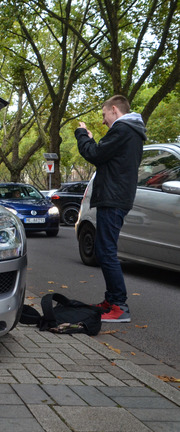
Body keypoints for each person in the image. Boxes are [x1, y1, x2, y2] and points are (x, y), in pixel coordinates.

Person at [75, 95, 146, 323]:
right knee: (103, 248)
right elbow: (105, 155)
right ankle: (111, 300)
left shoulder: (123, 130)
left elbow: (94, 154)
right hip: (116, 197)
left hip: (113, 199)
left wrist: (82, 135)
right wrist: (93, 141)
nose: (104, 120)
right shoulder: (130, 132)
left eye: (104, 114)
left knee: (106, 252)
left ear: (114, 110)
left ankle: (119, 305)